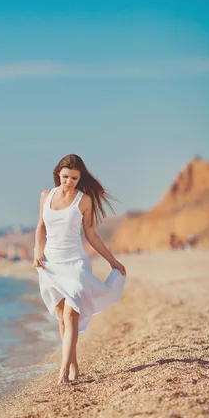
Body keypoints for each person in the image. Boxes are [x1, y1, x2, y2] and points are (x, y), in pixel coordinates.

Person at [33, 154, 127, 385]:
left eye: (74, 178)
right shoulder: (46, 195)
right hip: (51, 263)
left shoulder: (83, 201)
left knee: (71, 312)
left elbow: (91, 234)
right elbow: (41, 226)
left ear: (79, 177)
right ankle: (73, 361)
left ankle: (63, 370)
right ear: (58, 174)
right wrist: (37, 250)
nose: (69, 182)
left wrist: (112, 261)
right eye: (65, 177)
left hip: (75, 262)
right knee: (61, 318)